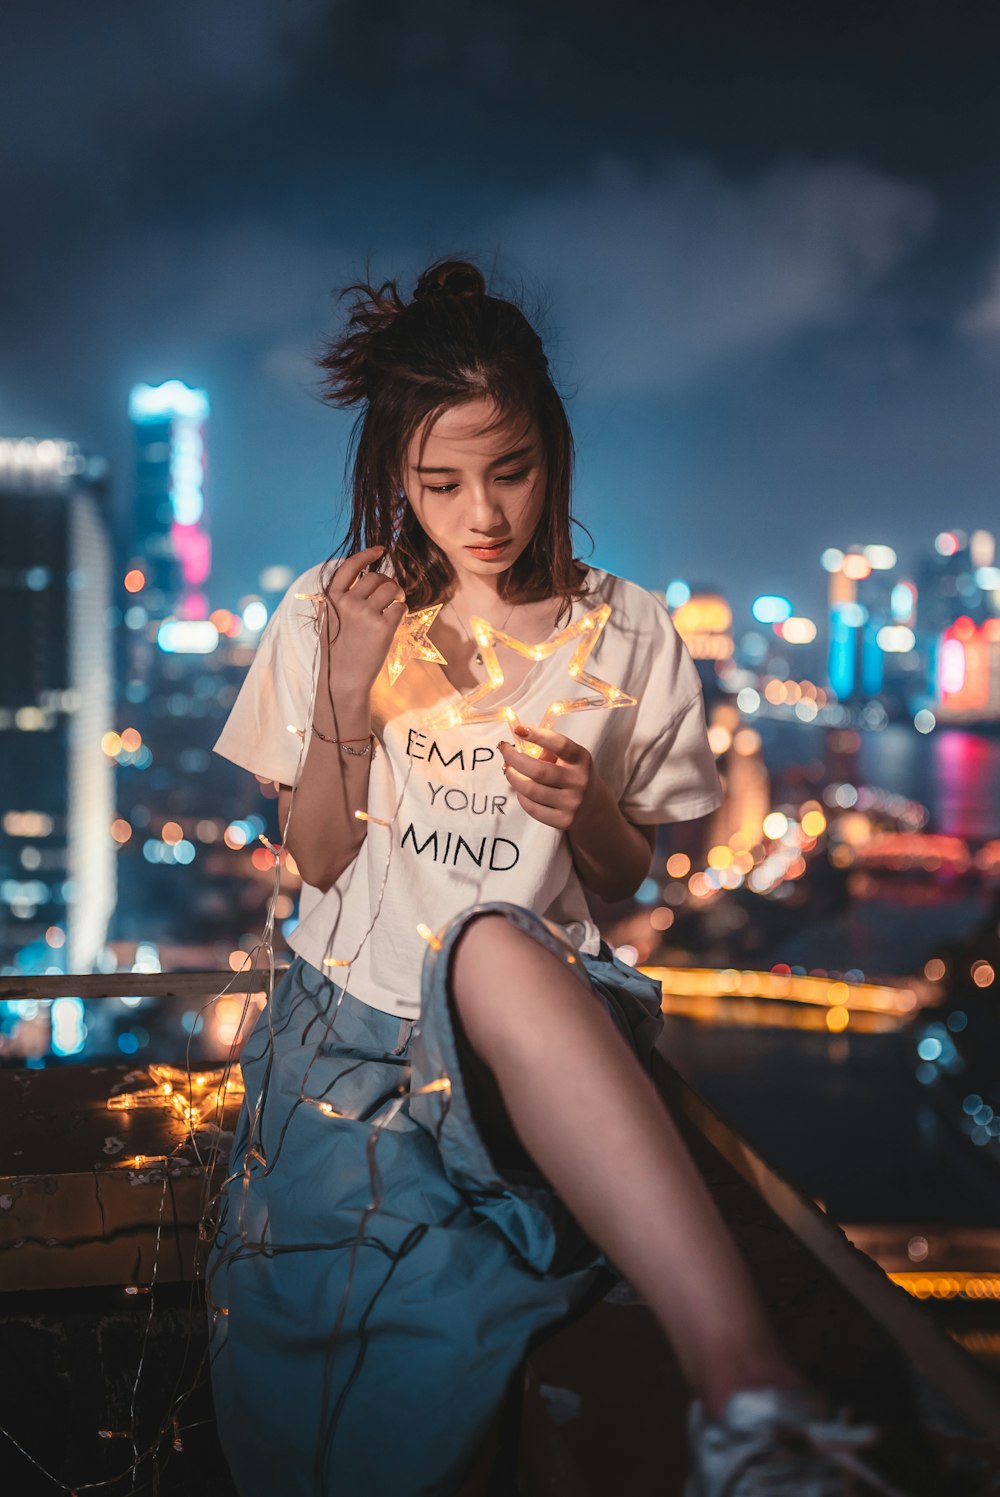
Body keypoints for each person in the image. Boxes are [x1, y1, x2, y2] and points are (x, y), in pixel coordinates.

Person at [206, 260, 889, 1497]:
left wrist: (589, 813)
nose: (481, 514)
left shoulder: (625, 630)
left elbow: (627, 876)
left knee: (491, 942)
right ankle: (745, 1398)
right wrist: (348, 692)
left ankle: (749, 1399)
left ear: (552, 453)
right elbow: (315, 858)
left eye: (509, 471)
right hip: (354, 1038)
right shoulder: (332, 609)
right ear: (393, 478)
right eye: (441, 482)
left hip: (539, 1024)